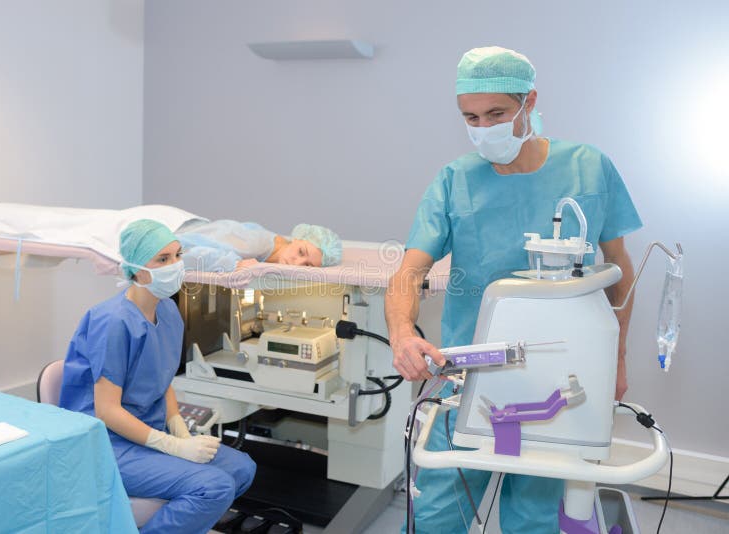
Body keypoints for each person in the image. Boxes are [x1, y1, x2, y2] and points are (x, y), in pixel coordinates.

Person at [385, 46, 642, 533]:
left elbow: (619, 272)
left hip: (559, 380)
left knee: (533, 518)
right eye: (471, 118)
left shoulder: (588, 168)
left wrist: (618, 361)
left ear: (530, 102)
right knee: (437, 515)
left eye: (497, 114)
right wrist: (401, 333)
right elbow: (408, 272)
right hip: (469, 374)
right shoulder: (455, 179)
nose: (484, 128)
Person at [59, 219, 256, 534]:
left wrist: (179, 428)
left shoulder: (168, 312)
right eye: (162, 259)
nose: (175, 265)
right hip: (107, 444)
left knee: (242, 468)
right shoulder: (112, 322)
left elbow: (162, 380)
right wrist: (172, 446)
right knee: (214, 486)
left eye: (177, 255)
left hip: (147, 431)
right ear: (137, 271)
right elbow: (106, 411)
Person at [176, 220, 342, 271]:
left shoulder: (274, 245)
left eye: (307, 265)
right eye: (301, 252)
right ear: (297, 238)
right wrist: (233, 264)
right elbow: (179, 252)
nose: (297, 263)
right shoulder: (254, 244)